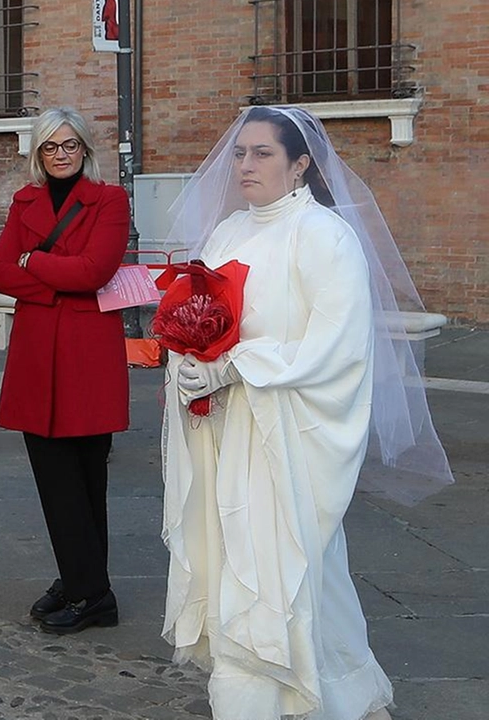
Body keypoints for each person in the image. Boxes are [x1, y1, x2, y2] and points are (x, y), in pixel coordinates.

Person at [159, 106, 453, 720]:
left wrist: (239, 365)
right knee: (239, 555)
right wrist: (188, 366)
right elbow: (196, 319)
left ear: (300, 164)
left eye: (262, 153)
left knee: (287, 564)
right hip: (228, 428)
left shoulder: (325, 236)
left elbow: (337, 343)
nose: (244, 164)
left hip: (285, 432)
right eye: (239, 152)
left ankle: (285, 695)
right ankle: (300, 690)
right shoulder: (227, 233)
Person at [0, 107, 131, 635]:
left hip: (86, 357)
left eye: (70, 145)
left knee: (87, 479)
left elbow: (97, 270)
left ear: (86, 150)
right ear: (38, 154)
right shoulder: (23, 201)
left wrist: (34, 264)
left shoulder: (110, 200)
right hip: (36, 355)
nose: (61, 154)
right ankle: (83, 582)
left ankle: (89, 591)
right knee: (54, 478)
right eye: (51, 146)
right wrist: (56, 281)